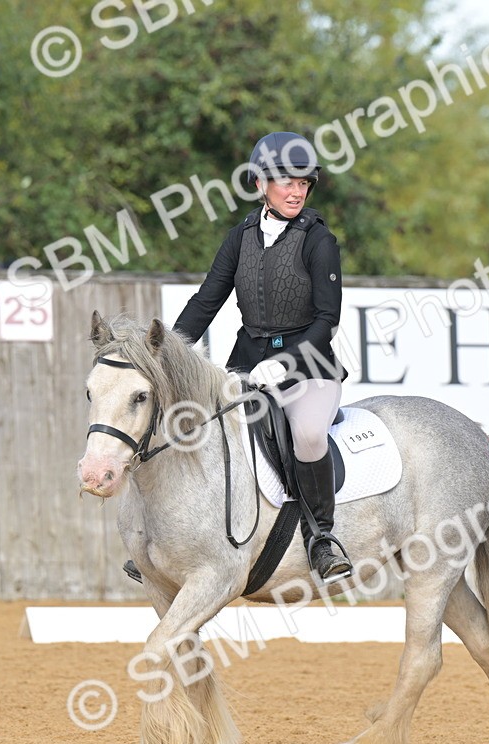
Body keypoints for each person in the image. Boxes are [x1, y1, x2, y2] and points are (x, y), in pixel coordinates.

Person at [132, 131, 353, 585]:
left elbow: (327, 320)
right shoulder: (240, 237)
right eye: (286, 183)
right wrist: (163, 352)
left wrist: (285, 363)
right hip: (244, 364)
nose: (296, 192)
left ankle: (322, 538)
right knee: (190, 427)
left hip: (309, 368)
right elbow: (206, 300)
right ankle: (170, 541)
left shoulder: (319, 241)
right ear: (260, 184)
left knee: (309, 435)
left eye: (303, 184)